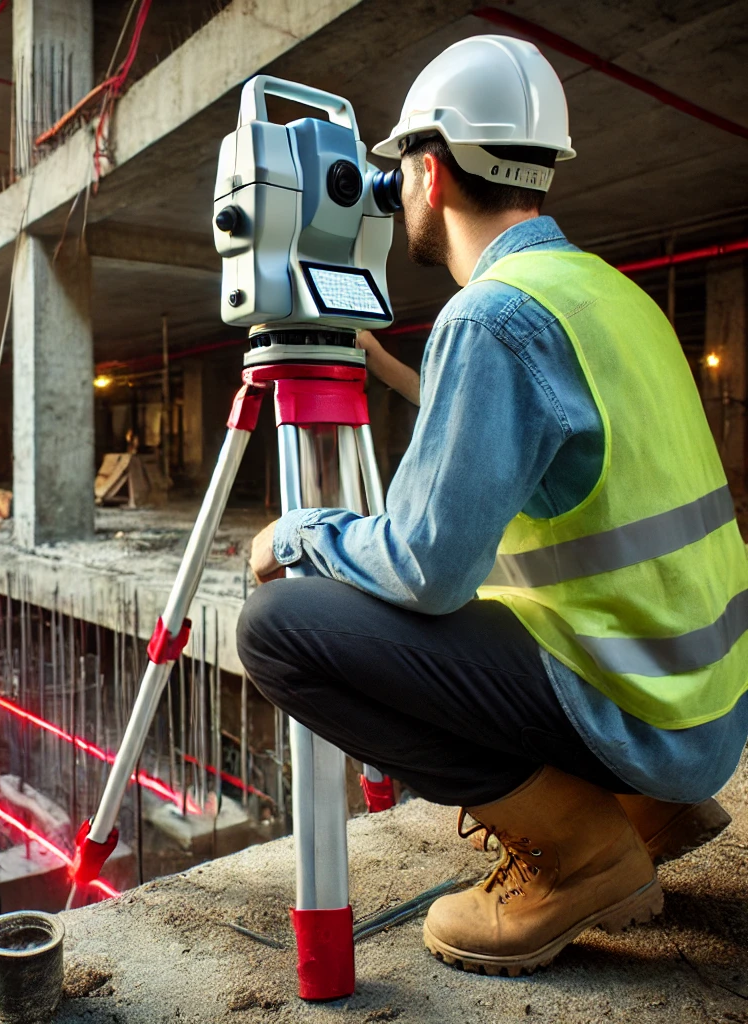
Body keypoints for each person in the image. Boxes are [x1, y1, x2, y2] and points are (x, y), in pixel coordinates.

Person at [236, 34, 747, 976]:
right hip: (703, 713)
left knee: (279, 626)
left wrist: (301, 532)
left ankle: (579, 851)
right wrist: (384, 361)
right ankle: (649, 810)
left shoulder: (491, 316)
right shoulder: (601, 294)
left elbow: (426, 570)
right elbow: (520, 431)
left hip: (632, 706)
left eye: (398, 174)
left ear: (426, 174)